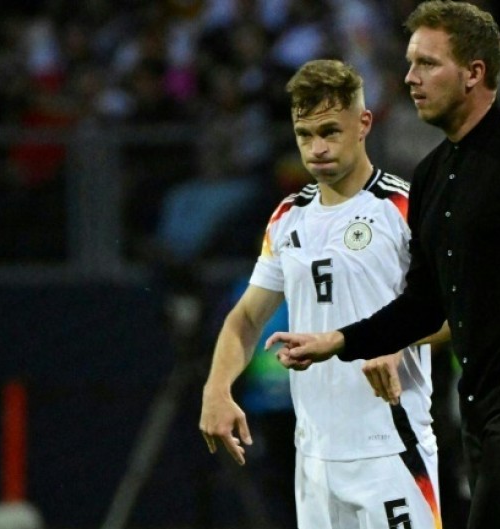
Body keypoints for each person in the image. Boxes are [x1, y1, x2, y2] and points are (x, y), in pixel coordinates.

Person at [267, 3, 500, 529]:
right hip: (479, 400)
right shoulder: (433, 174)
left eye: (428, 64)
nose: (410, 78)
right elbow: (424, 303)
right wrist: (339, 341)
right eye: (411, 63)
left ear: (474, 73)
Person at [199, 59, 448, 529]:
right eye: (304, 134)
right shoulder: (287, 217)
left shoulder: (405, 208)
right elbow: (246, 318)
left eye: (330, 131)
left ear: (364, 124)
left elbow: (461, 311)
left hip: (390, 450)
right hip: (313, 459)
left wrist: (396, 344)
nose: (317, 149)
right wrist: (217, 389)